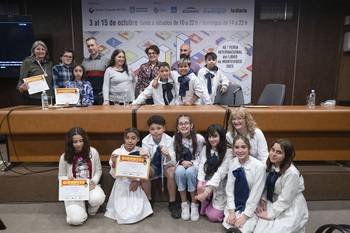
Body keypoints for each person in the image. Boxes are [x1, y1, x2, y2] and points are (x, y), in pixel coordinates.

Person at [254, 139, 308, 233]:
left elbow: (285, 199)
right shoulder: (271, 165)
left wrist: (270, 214)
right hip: (273, 200)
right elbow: (267, 185)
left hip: (290, 206)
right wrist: (263, 197)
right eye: (272, 150)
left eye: (279, 152)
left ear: (286, 156)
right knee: (259, 229)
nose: (273, 154)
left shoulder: (291, 173)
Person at [58, 127, 106, 225]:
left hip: (89, 186)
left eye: (81, 141)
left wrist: (94, 181)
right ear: (70, 143)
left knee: (98, 198)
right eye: (75, 142)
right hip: (74, 189)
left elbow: (98, 170)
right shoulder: (64, 156)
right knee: (75, 220)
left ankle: (90, 209)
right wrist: (68, 180)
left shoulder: (93, 152)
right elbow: (61, 176)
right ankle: (79, 209)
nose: (78, 144)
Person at [105, 128, 153, 224]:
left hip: (137, 182)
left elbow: (146, 172)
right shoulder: (117, 152)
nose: (130, 141)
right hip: (121, 183)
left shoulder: (143, 151)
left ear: (138, 139)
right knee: (122, 213)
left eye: (133, 138)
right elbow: (114, 175)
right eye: (127, 138)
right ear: (124, 139)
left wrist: (136, 181)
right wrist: (114, 163)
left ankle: (147, 201)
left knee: (137, 210)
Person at [223, 135, 266, 233]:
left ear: (249, 148)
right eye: (237, 147)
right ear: (233, 149)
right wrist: (231, 211)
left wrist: (245, 216)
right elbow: (229, 189)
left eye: (243, 147)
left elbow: (256, 194)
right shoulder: (232, 163)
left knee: (244, 227)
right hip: (236, 202)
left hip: (251, 203)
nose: (240, 150)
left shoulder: (259, 167)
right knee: (230, 223)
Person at [141, 115, 181, 219]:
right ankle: (148, 201)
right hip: (153, 166)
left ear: (164, 128)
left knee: (172, 172)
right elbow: (146, 162)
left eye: (159, 128)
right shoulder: (145, 140)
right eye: (152, 129)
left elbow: (172, 162)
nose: (156, 131)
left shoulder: (169, 140)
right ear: (149, 130)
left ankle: (172, 202)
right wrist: (145, 156)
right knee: (144, 172)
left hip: (166, 166)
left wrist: (167, 155)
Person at [195, 124, 231, 222]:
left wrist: (206, 192)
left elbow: (220, 174)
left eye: (215, 136)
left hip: (220, 184)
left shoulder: (228, 152)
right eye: (210, 137)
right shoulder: (206, 148)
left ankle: (212, 204)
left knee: (213, 217)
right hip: (208, 179)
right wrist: (200, 182)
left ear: (221, 137)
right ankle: (207, 203)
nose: (212, 139)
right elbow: (202, 166)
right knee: (201, 186)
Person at [173, 114, 205, 221]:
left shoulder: (199, 138)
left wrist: (191, 163)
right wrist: (181, 162)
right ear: (177, 127)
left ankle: (194, 204)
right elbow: (173, 156)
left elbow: (202, 156)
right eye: (180, 124)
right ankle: (184, 204)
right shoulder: (175, 139)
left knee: (190, 172)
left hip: (195, 165)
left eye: (186, 123)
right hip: (181, 164)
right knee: (179, 171)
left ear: (191, 125)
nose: (183, 126)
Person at [17, 40, 53, 105]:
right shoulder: (27, 62)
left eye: (43, 49)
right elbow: (21, 81)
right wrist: (21, 88)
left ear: (46, 51)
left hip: (49, 97)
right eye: (38, 49)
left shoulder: (49, 63)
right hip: (34, 99)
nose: (40, 51)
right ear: (33, 51)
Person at [82, 37, 109, 105]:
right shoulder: (84, 62)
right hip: (88, 96)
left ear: (97, 46)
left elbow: (109, 80)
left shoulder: (106, 61)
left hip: (101, 96)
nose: (90, 48)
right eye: (88, 46)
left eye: (92, 45)